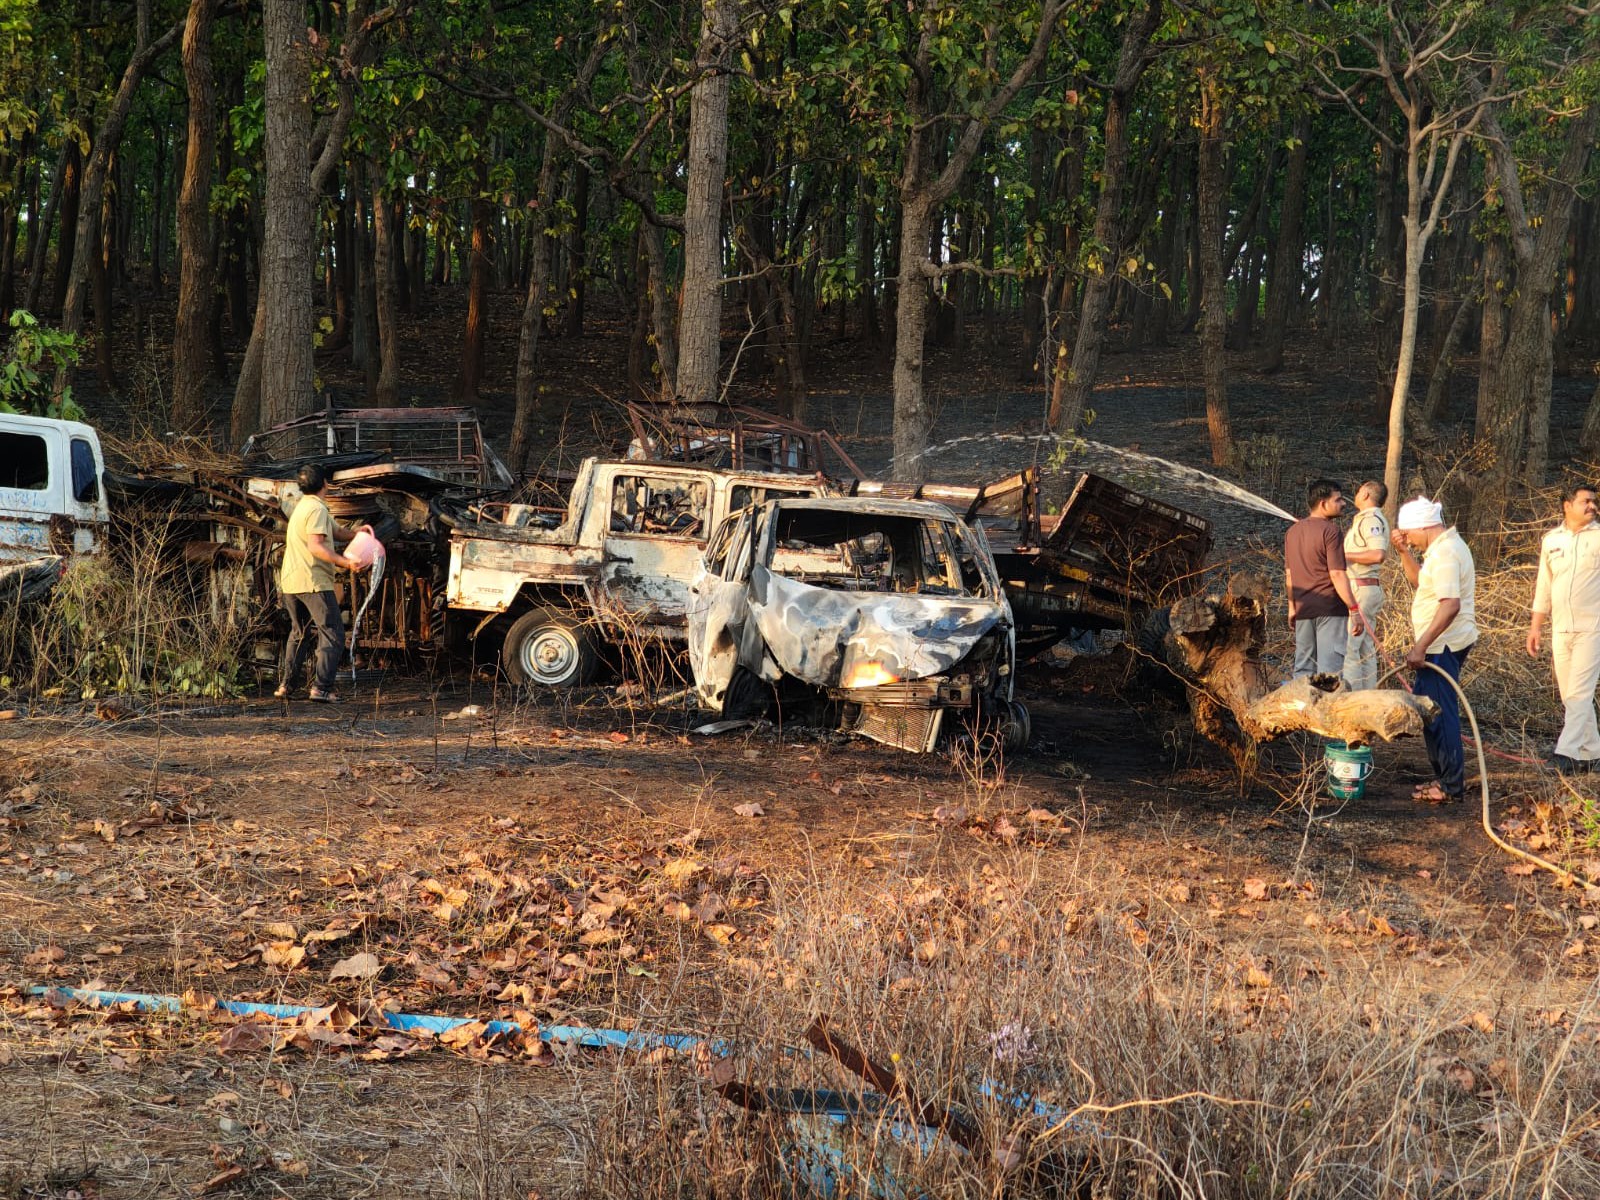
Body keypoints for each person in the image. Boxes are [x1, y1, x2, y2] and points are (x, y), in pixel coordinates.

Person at [1390, 497, 1478, 803]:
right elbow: (1420, 581)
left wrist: (1421, 646)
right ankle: (1444, 778)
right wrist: (1403, 552)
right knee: (1430, 711)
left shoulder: (1446, 554)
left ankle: (1451, 785)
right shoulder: (1440, 549)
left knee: (1439, 713)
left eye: (1409, 534)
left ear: (1424, 526)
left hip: (1443, 645)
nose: (1409, 540)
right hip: (1439, 643)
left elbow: (1450, 605)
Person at [274, 463, 369, 703]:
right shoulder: (316, 509)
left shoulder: (304, 506)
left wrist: (358, 533)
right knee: (333, 633)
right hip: (313, 581)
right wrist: (346, 562)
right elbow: (316, 546)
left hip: (292, 580)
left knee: (299, 633)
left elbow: (336, 532)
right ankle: (322, 688)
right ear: (326, 483)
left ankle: (286, 686)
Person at [1526, 483, 1600, 773]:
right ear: (1567, 505)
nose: (1592, 506)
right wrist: (1536, 628)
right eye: (1586, 501)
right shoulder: (1551, 540)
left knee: (1580, 692)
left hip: (1592, 628)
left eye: (1594, 501)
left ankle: (1566, 753)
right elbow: (1543, 586)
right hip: (1561, 628)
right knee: (1570, 694)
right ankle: (1592, 752)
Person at [1284, 478, 1361, 678]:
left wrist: (1292, 608)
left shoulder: (1292, 532)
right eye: (1338, 500)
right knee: (1330, 673)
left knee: (1303, 671)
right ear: (1323, 503)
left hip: (1303, 609)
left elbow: (1289, 575)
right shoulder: (1331, 531)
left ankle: (1302, 700)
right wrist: (1354, 609)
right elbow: (1337, 573)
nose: (1343, 504)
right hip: (1330, 609)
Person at [1342, 480, 1390, 691]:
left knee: (1350, 648)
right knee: (1365, 648)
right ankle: (1369, 697)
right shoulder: (1365, 519)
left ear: (1366, 495)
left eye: (1360, 490)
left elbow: (1378, 554)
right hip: (1366, 588)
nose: (1356, 493)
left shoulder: (1371, 520)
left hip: (1360, 588)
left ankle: (1353, 699)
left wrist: (1343, 556)